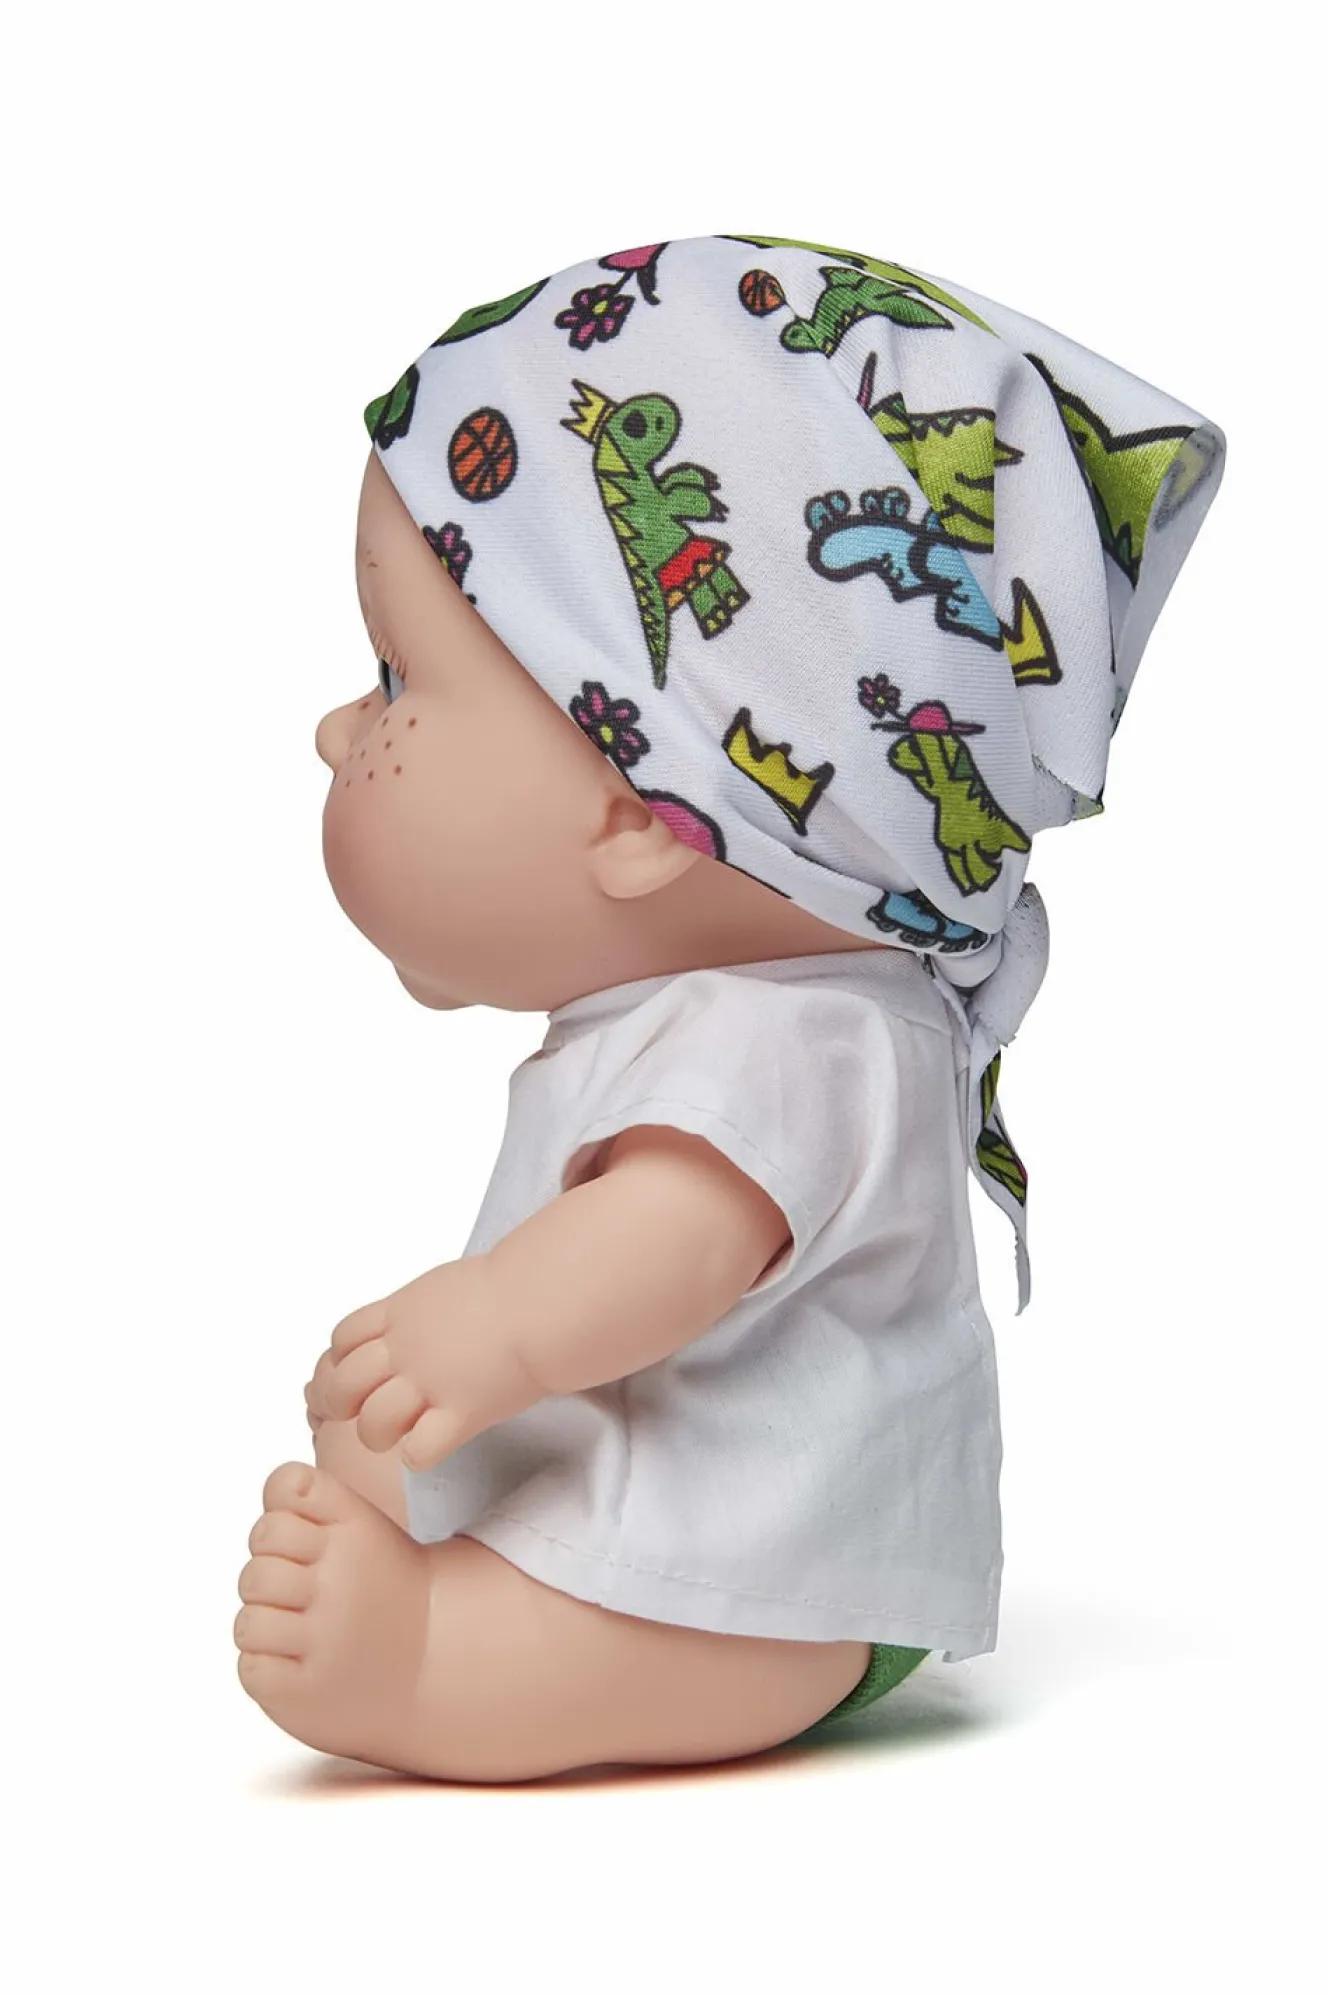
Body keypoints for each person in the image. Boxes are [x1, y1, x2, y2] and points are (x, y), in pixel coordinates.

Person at [233, 233, 1224, 1781]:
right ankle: (451, 1547)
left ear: (648, 810)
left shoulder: (805, 1033)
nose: (335, 725)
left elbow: (679, 1240)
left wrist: (496, 1327)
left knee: (612, 1621)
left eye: (398, 677)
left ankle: (433, 1658)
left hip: (782, 1562)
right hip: (681, 1474)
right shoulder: (721, 1002)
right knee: (395, 1419)